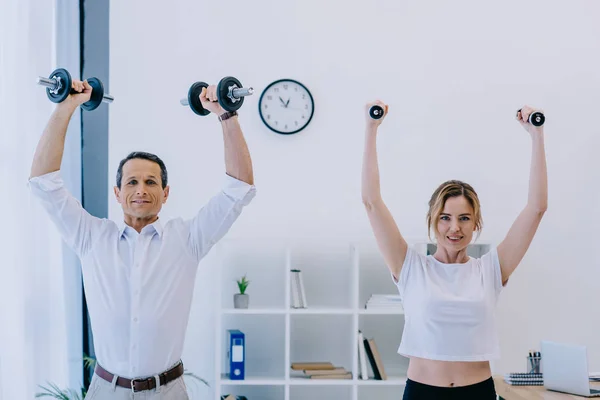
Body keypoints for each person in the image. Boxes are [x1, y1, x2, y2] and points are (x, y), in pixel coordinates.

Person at [28, 79, 256, 399]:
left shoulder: (189, 239)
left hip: (168, 391)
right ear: (117, 193)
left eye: (151, 182)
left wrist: (226, 115)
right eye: (132, 181)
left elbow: (239, 188)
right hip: (107, 390)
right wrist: (67, 105)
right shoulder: (91, 237)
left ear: (165, 193)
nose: (141, 190)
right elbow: (43, 182)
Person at [361, 102, 547, 399]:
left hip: (478, 393)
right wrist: (371, 129)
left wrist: (536, 135)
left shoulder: (489, 269)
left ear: (476, 223)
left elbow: (536, 208)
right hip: (422, 392)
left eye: (464, 218)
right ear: (433, 220)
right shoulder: (411, 267)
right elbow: (371, 201)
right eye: (445, 218)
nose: (454, 228)